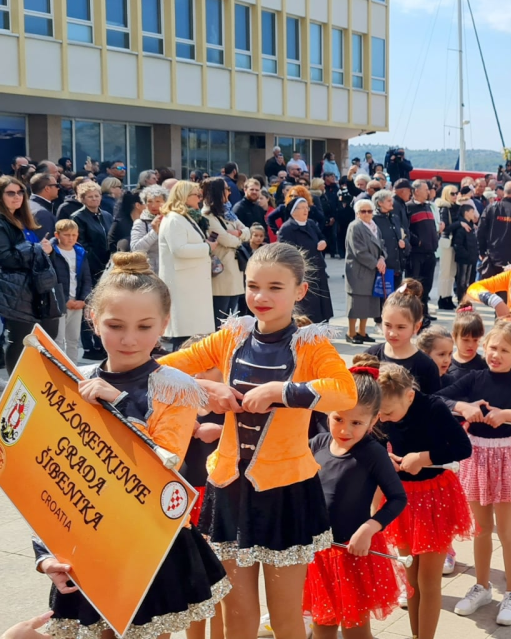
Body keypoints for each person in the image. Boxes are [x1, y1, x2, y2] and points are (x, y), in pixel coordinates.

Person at [157, 243, 357, 639]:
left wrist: (281, 391)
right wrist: (205, 388)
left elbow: (345, 392)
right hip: (229, 489)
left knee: (285, 620)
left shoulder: (311, 345)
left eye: (275, 287)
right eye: (252, 286)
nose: (261, 297)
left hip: (285, 492)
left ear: (300, 290)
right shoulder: (231, 336)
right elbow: (160, 370)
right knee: (237, 617)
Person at [36, 253, 228, 639]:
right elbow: (48, 475)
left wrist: (120, 406)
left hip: (150, 544)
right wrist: (45, 555)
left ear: (164, 324)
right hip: (88, 543)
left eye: (144, 326)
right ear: (93, 320)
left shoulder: (175, 387)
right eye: (115, 325)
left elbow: (164, 469)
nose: (129, 339)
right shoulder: (72, 381)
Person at [437, 323, 511, 626]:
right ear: (484, 347)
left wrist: (506, 415)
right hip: (476, 455)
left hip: (507, 456)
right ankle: (482, 586)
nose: (496, 355)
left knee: (506, 530)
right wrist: (463, 407)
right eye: (492, 348)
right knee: (481, 529)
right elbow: (436, 398)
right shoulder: (474, 377)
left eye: (504, 350)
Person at [369, 355, 472, 639]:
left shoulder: (434, 407)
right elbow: (374, 443)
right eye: (379, 413)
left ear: (409, 396)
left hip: (434, 496)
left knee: (428, 581)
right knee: (411, 578)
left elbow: (463, 448)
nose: (382, 419)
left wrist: (424, 458)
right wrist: (385, 460)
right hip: (401, 497)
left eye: (388, 413)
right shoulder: (382, 411)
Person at [301, 364, 408, 639]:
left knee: (356, 632)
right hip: (318, 552)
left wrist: (369, 528)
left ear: (373, 421)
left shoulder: (373, 454)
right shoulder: (317, 444)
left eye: (356, 423)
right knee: (322, 627)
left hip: (353, 554)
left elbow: (398, 498)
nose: (345, 429)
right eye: (338, 419)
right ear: (328, 412)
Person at [0, 176, 58, 372]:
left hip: (34, 287)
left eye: (20, 192)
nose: (17, 197)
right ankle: (16, 386)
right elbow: (7, 258)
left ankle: (34, 381)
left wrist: (44, 250)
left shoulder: (21, 219)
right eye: (11, 193)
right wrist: (37, 249)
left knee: (45, 336)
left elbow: (32, 252)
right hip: (12, 289)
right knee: (19, 340)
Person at [157, 181, 217, 347]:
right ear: (184, 196)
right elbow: (179, 250)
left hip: (192, 282)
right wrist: (207, 247)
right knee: (184, 336)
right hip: (183, 284)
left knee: (193, 335)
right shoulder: (173, 219)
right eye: (196, 195)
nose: (200, 198)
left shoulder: (185, 217)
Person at [363, 280, 441, 395]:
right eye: (388, 325)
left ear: (416, 327)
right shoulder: (370, 356)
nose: (393, 333)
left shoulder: (425, 366)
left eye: (401, 327)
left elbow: (434, 402)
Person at [278, 197, 334, 325]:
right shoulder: (287, 229)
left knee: (322, 304)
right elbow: (285, 253)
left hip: (318, 269)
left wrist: (323, 242)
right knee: (307, 306)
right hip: (302, 272)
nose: (306, 211)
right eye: (302, 208)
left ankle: (322, 327)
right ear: (293, 211)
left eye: (306, 208)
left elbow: (322, 237)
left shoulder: (311, 224)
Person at [202, 177, 247, 323]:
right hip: (221, 272)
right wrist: (238, 236)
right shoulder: (207, 215)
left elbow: (248, 231)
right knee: (220, 320)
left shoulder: (228, 213)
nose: (230, 192)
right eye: (226, 189)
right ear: (217, 192)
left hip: (235, 271)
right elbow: (227, 240)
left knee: (231, 319)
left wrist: (238, 233)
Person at [345, 199, 386, 344]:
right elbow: (359, 251)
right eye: (363, 211)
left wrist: (382, 257)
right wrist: (376, 263)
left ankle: (362, 332)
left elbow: (382, 244)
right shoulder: (355, 226)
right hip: (359, 270)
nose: (367, 214)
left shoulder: (374, 227)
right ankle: (351, 333)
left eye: (369, 211)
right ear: (357, 213)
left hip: (373, 269)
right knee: (356, 303)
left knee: (368, 303)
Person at [49, 219, 91, 362]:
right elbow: (51, 280)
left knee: (73, 339)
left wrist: (83, 299)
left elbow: (86, 278)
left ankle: (72, 368)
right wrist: (64, 300)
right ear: (57, 235)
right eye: (66, 235)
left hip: (76, 302)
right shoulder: (52, 252)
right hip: (59, 303)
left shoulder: (80, 252)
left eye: (74, 235)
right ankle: (58, 368)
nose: (71, 238)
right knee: (58, 339)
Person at [405, 180, 438, 301]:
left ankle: (424, 310)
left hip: (430, 252)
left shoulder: (428, 206)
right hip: (416, 253)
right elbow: (405, 229)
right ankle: (413, 309)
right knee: (414, 285)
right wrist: (417, 241)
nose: (428, 192)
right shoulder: (408, 207)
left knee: (427, 285)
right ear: (417, 191)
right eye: (426, 190)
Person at [131, 185, 169, 273]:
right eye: (149, 201)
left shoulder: (171, 220)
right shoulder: (141, 223)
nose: (153, 205)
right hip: (150, 272)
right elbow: (136, 249)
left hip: (170, 270)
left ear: (165, 202)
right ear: (145, 203)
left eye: (158, 201)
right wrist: (154, 232)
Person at [28, 173, 58, 237]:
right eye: (56, 185)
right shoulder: (42, 213)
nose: (58, 188)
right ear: (47, 188)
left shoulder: (28, 204)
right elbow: (45, 240)